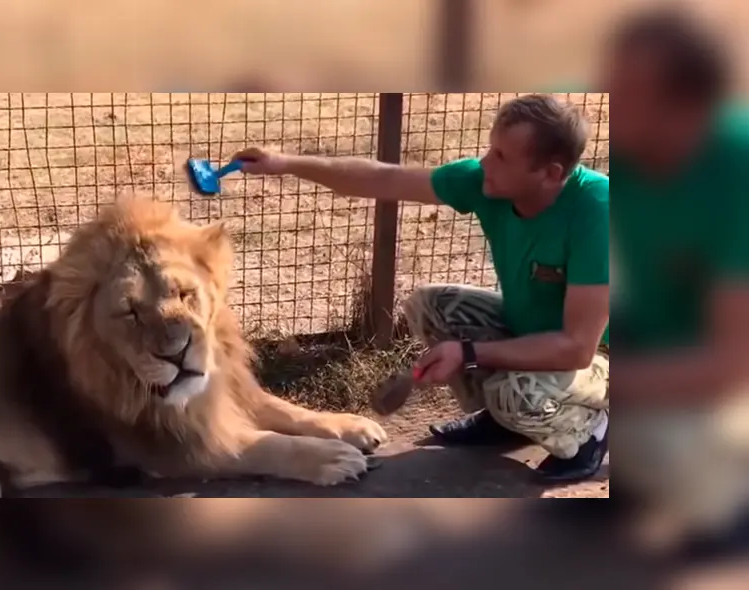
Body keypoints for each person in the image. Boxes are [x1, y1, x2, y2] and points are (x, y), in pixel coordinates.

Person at [231, 92, 610, 484]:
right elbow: (384, 178)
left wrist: (467, 352)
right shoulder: (488, 183)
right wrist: (286, 163)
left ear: (550, 173)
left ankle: (588, 434)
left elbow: (577, 348)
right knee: (432, 306)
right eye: (491, 148)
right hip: (538, 331)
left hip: (607, 352)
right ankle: (506, 421)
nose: (484, 163)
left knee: (519, 395)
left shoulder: (598, 210)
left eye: (501, 156)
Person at [599, 7, 749, 563]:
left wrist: (599, 385)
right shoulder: (630, 142)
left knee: (668, 449)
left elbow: (732, 365)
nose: (606, 94)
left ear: (688, 110)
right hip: (659, 347)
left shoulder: (737, 171)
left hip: (722, 378)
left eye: (628, 88)